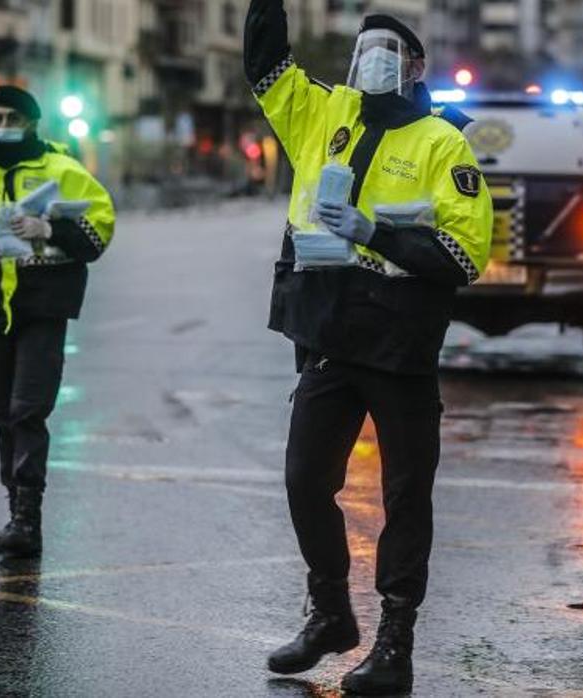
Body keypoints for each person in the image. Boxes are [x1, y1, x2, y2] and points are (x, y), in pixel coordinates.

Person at [244, 2, 493, 693]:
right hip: (328, 333)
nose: (371, 57)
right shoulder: (324, 112)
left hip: (400, 342)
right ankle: (330, 614)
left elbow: (465, 252)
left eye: (387, 48)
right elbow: (265, 66)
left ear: (415, 67)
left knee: (405, 495)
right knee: (304, 480)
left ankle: (395, 645)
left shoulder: (444, 143)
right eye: (365, 47)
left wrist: (373, 232)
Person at [0, 85, 116, 557]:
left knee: (27, 409)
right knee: (0, 412)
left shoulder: (61, 170)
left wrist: (51, 228)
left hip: (42, 304)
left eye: (12, 118)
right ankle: (15, 508)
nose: (2, 126)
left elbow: (100, 228)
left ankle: (27, 521)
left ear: (32, 124)